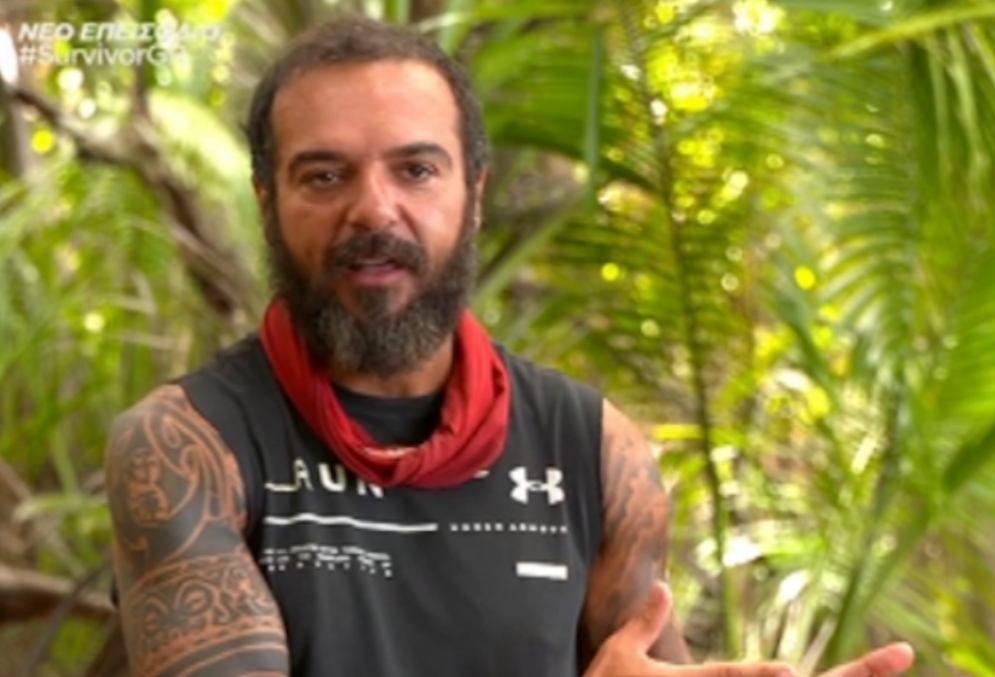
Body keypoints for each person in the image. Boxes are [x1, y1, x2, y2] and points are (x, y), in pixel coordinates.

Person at [102, 16, 915, 677]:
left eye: (417, 170)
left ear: (475, 194)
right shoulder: (188, 446)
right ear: (267, 202)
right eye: (324, 176)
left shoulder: (594, 451)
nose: (374, 209)